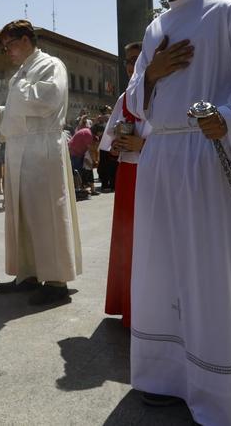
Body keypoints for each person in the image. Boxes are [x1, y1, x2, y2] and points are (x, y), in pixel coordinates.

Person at [122, 0, 231, 423]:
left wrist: (228, 118)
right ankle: (163, 377)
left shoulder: (228, 13)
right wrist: (151, 74)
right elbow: (132, 100)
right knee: (159, 264)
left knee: (210, 266)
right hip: (161, 155)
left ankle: (216, 388)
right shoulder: (154, 29)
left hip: (207, 154)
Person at [0, 20, 82, 307]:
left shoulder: (51, 65)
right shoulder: (21, 74)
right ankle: (28, 273)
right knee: (21, 213)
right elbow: (20, 110)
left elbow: (48, 100)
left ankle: (56, 280)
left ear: (25, 40)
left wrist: (20, 88)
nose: (7, 51)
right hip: (20, 148)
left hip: (42, 147)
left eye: (10, 45)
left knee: (46, 212)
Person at [97, 41, 150, 328]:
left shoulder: (167, 91)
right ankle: (128, 305)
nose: (131, 66)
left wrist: (144, 143)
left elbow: (180, 135)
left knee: (149, 242)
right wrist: (118, 145)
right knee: (127, 241)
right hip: (128, 172)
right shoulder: (125, 97)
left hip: (155, 172)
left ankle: (151, 310)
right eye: (128, 62)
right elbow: (109, 140)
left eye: (136, 59)